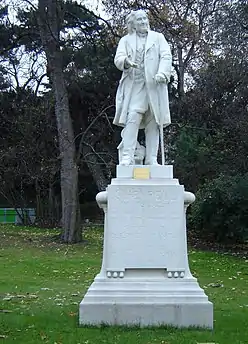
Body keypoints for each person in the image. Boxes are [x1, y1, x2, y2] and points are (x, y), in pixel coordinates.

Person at [113, 9, 172, 166]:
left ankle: (152, 158)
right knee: (132, 117)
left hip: (154, 85)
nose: (144, 22)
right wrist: (126, 62)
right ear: (133, 24)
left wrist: (162, 73)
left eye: (145, 18)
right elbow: (118, 59)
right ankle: (128, 155)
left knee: (154, 122)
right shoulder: (126, 40)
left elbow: (166, 55)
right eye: (139, 20)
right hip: (135, 85)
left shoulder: (158, 38)